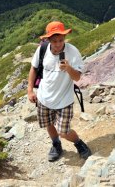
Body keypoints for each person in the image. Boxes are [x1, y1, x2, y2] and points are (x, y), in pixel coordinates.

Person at [27, 21, 92, 162]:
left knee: (64, 131)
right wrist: (30, 90)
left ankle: (79, 143)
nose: (58, 44)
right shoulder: (42, 49)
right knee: (48, 124)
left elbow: (77, 77)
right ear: (48, 39)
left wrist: (68, 68)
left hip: (64, 100)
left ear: (65, 38)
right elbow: (33, 68)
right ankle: (56, 145)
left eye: (61, 40)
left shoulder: (72, 52)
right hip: (44, 98)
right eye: (55, 41)